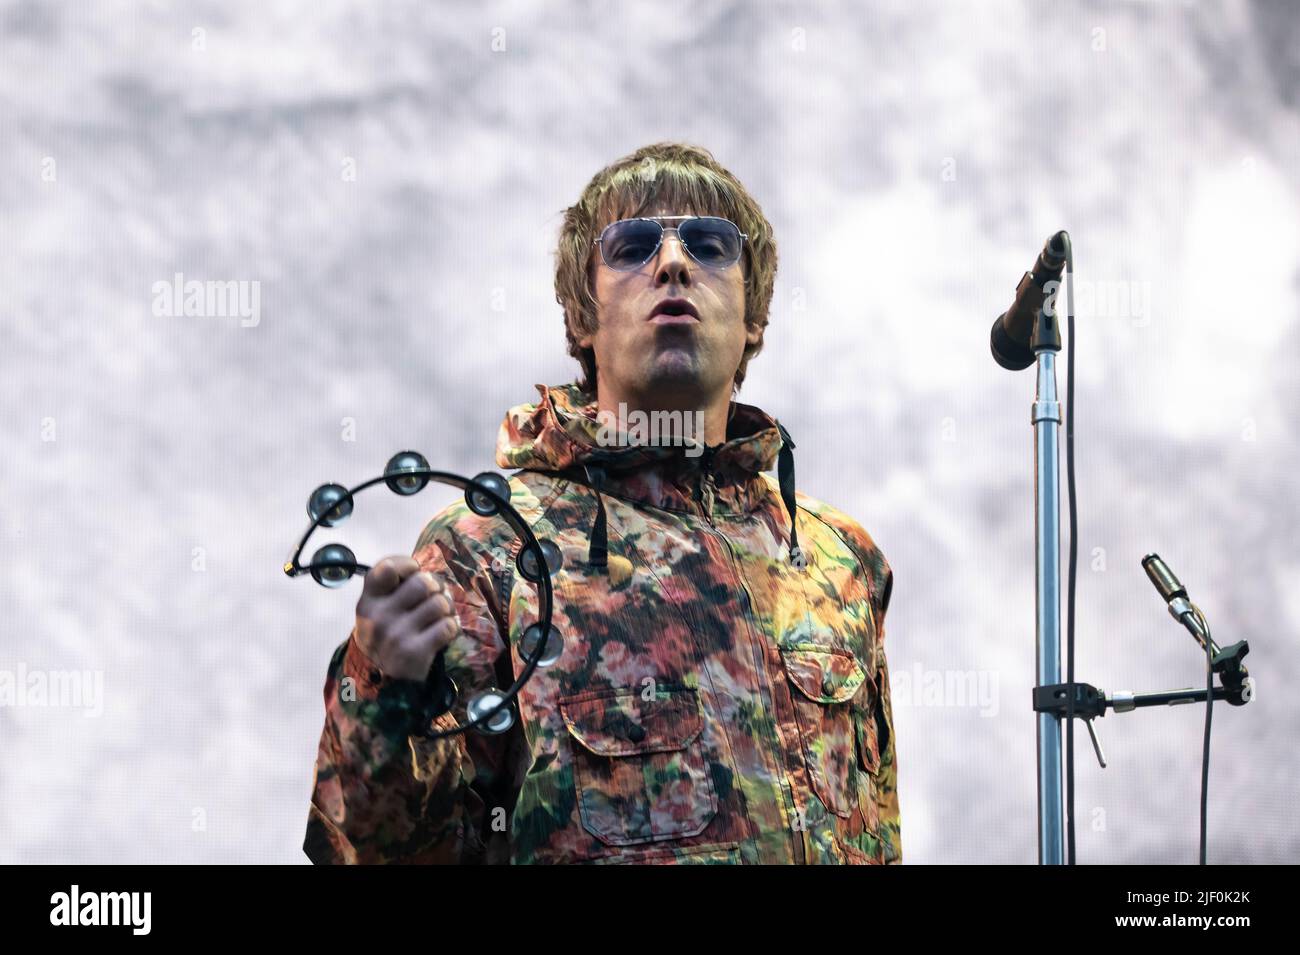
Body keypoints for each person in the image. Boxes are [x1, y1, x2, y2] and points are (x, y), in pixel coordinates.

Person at [303, 141, 900, 865]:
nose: (673, 262)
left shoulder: (840, 559)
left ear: (754, 320)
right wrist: (385, 691)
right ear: (582, 321)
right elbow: (376, 852)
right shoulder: (492, 551)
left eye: (710, 245)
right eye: (632, 246)